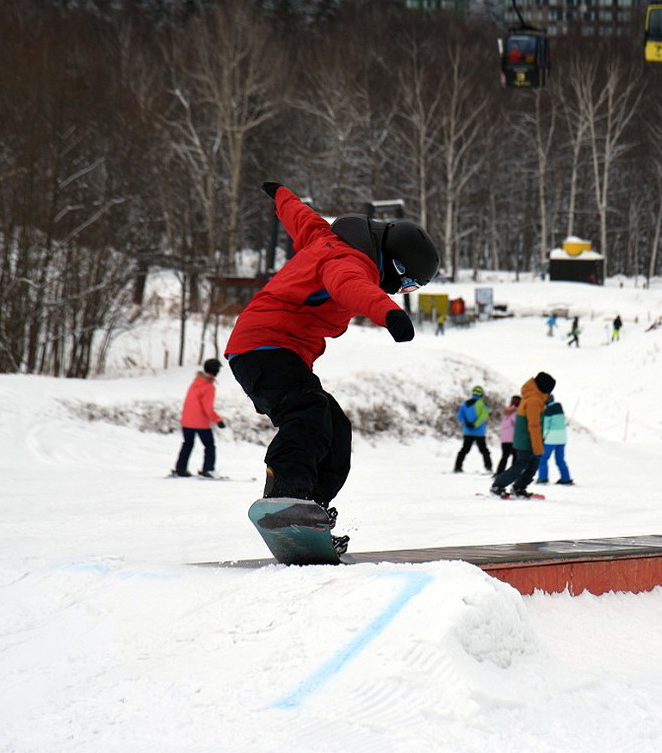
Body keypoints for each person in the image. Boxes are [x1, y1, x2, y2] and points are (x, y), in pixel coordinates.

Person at [226, 182, 439, 549]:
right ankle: (286, 496)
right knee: (307, 411)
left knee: (335, 427)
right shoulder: (349, 263)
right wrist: (391, 314)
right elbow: (355, 288)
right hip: (266, 346)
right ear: (394, 263)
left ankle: (310, 513)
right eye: (404, 285)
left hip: (276, 351)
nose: (397, 291)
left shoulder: (325, 240)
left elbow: (301, 218)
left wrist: (281, 195)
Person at [491, 371, 556, 498]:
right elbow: (533, 424)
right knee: (522, 465)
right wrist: (537, 445)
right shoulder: (534, 400)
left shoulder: (533, 398)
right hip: (527, 439)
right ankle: (498, 485)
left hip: (527, 438)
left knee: (531, 465)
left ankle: (519, 487)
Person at [173, 358, 228, 478]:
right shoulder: (208, 386)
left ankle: (180, 469)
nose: (219, 371)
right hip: (200, 423)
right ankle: (208, 470)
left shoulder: (196, 381)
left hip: (186, 421)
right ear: (215, 370)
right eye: (218, 369)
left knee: (187, 444)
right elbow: (207, 408)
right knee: (209, 446)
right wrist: (218, 420)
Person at [454, 385, 493, 473]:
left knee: (464, 449)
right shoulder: (483, 404)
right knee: (484, 450)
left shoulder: (465, 404)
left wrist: (466, 423)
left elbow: (459, 415)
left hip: (467, 431)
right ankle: (488, 467)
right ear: (481, 394)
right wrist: (475, 425)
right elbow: (483, 417)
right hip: (479, 432)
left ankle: (457, 467)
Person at [536, 394, 572, 484]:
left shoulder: (548, 410)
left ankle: (543, 478)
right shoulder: (560, 409)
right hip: (562, 439)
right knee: (560, 459)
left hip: (551, 439)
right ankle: (566, 479)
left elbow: (546, 427)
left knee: (543, 459)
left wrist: (542, 438)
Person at [495, 395, 520, 474]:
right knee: (516, 456)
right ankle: (513, 473)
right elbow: (516, 423)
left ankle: (499, 472)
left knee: (505, 456)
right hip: (512, 438)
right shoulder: (516, 412)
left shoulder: (506, 411)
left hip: (504, 438)